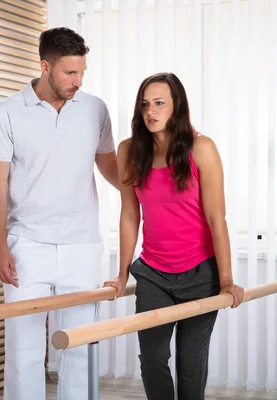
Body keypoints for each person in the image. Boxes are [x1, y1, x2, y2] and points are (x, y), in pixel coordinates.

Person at [0, 27, 118, 400]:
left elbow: (109, 167)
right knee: (24, 351)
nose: (78, 81)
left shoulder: (95, 109)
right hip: (27, 245)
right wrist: (0, 246)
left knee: (79, 349)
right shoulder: (7, 112)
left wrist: (149, 191)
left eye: (82, 72)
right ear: (45, 66)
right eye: (69, 73)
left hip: (82, 245)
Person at [104, 72, 244, 400]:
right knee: (152, 360)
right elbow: (129, 214)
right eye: (144, 105)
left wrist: (226, 280)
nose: (150, 111)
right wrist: (122, 273)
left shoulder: (200, 148)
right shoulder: (128, 151)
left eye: (159, 103)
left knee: (190, 364)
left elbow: (216, 218)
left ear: (176, 107)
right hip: (154, 274)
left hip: (201, 274)